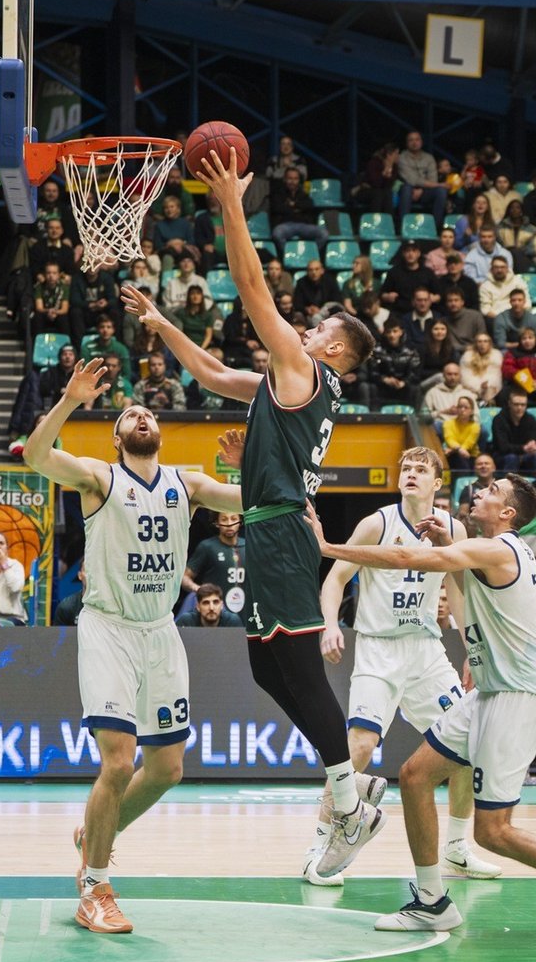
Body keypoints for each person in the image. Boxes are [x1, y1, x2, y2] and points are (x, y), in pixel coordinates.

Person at [122, 147, 384, 881]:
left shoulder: (306, 369)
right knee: (268, 669)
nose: (303, 329)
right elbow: (210, 372)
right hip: (271, 524)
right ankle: (348, 791)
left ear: (333, 347)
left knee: (296, 665)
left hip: (283, 533)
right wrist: (161, 323)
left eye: (316, 327)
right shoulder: (286, 380)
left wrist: (231, 202)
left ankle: (346, 802)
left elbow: (249, 288)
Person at [309, 475, 536, 945]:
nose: (480, 492)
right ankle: (432, 902)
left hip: (518, 698)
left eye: (492, 491)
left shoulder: (498, 549)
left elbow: (408, 558)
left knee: (493, 832)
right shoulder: (492, 550)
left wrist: (329, 547)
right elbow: (467, 586)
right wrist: (447, 545)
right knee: (415, 775)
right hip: (490, 692)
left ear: (507, 513)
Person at [22, 358, 242, 934]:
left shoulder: (187, 483)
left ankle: (96, 833)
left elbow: (252, 503)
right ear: (117, 438)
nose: (141, 416)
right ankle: (94, 887)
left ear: (159, 431)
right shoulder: (100, 477)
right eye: (129, 416)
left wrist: (247, 469)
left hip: (160, 631)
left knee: (167, 769)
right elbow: (36, 456)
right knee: (119, 761)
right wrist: (70, 401)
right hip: (109, 628)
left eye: (147, 413)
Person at [313, 447, 499, 886]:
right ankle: (320, 843)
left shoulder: (452, 528)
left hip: (426, 651)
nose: (411, 474)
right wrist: (330, 625)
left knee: (468, 745)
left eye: (420, 469)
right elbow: (335, 578)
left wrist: (471, 650)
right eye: (406, 469)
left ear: (438, 482)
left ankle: (456, 848)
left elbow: (458, 591)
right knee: (359, 746)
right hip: (378, 648)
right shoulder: (377, 524)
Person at [181, 511, 245, 618]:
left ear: (240, 521)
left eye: (233, 519)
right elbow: (184, 577)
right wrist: (198, 589)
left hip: (245, 611)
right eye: (224, 519)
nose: (229, 523)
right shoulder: (207, 547)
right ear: (217, 522)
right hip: (214, 614)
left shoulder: (249, 546)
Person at [176, 583, 243, 628]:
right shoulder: (186, 622)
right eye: (206, 603)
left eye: (215, 602)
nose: (211, 608)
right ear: (198, 607)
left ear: (222, 605)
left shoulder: (232, 622)